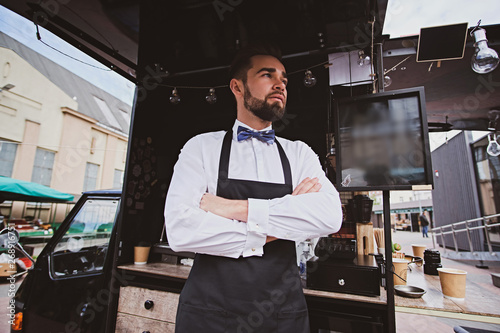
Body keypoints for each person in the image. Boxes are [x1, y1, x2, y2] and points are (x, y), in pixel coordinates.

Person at [164, 42, 342, 333]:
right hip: (209, 315)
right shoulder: (201, 148)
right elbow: (181, 231)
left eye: (283, 78)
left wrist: (231, 208)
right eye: (267, 75)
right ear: (237, 87)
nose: (280, 84)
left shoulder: (300, 154)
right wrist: (287, 218)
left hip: (281, 316)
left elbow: (330, 216)